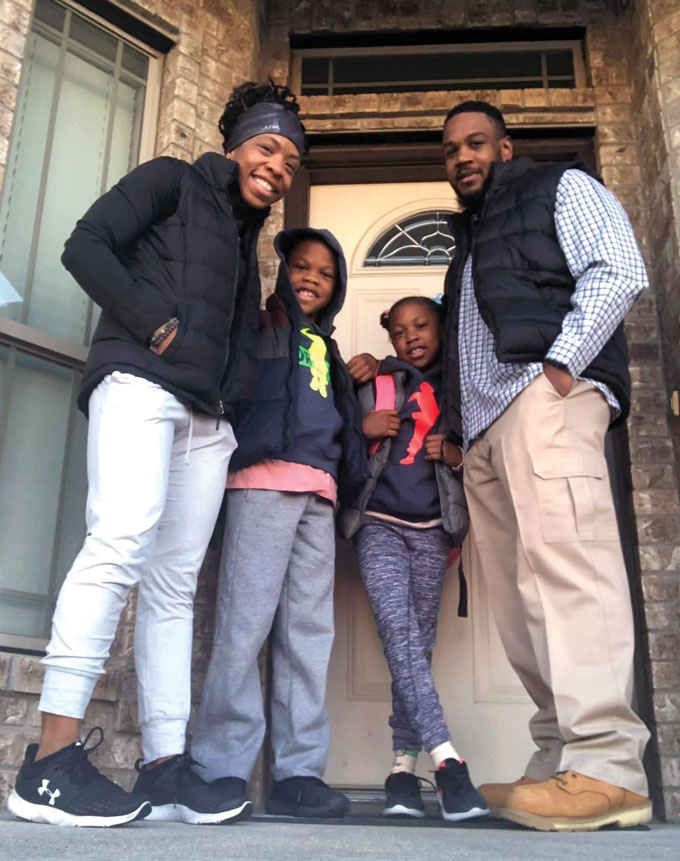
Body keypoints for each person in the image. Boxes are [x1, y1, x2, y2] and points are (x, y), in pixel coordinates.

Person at [7, 81, 306, 828]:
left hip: (207, 419)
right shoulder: (172, 181)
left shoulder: (246, 239)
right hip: (141, 384)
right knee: (117, 545)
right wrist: (156, 326)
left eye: (292, 161)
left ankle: (166, 766)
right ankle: (47, 765)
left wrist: (233, 396)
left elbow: (237, 335)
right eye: (269, 147)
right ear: (236, 144)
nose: (279, 167)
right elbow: (85, 244)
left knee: (173, 585)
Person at [440, 100, 651, 831]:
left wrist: (561, 365)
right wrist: (462, 431)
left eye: (475, 143)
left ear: (505, 147)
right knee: (520, 598)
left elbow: (618, 267)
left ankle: (608, 765)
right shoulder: (469, 242)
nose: (462, 157)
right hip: (487, 430)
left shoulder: (558, 186)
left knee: (570, 569)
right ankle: (562, 754)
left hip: (542, 396)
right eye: (451, 150)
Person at [190, 228, 367, 819]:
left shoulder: (329, 350)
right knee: (244, 626)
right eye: (301, 266)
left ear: (338, 287)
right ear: (282, 270)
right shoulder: (259, 327)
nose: (312, 277)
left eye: (326, 272)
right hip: (261, 483)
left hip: (319, 494)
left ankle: (298, 773)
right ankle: (221, 767)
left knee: (308, 635)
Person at [340, 296, 488, 822]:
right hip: (378, 523)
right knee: (399, 635)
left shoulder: (463, 387)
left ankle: (402, 771)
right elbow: (333, 438)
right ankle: (448, 760)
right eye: (400, 331)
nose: (412, 337)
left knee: (416, 647)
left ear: (441, 327)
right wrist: (361, 427)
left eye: (422, 325)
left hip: (431, 531)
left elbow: (488, 452)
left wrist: (457, 456)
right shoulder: (375, 380)